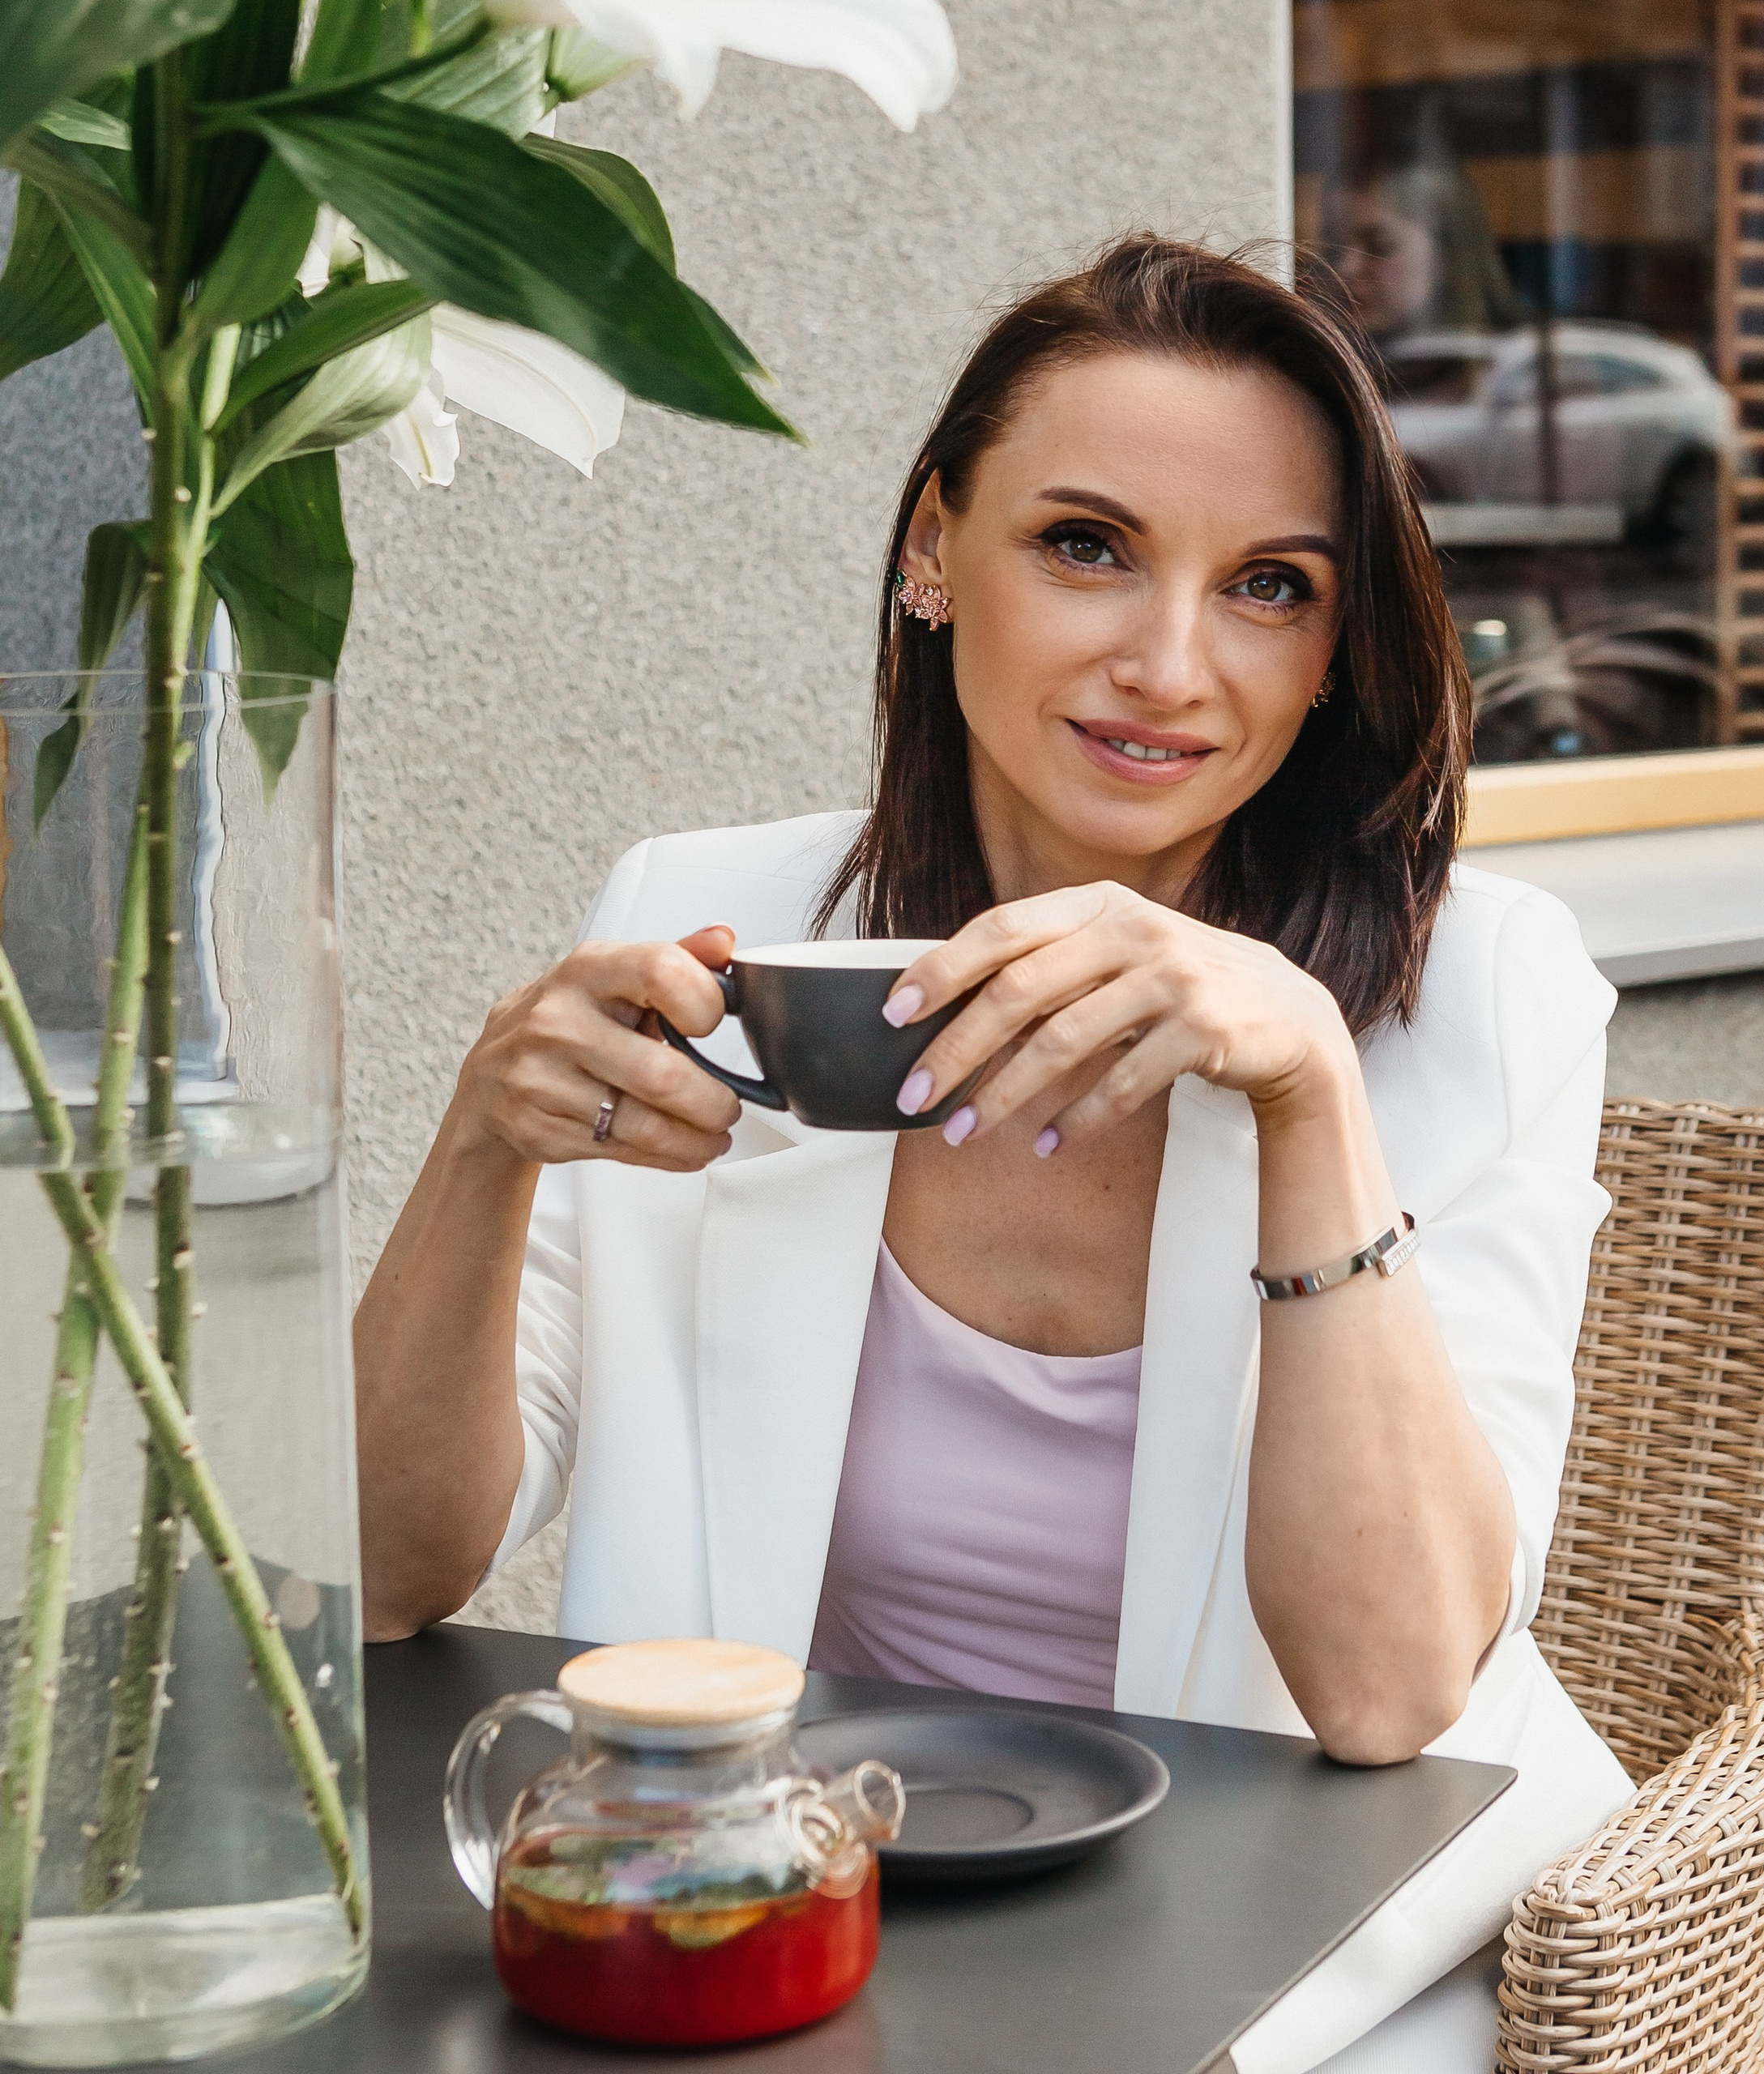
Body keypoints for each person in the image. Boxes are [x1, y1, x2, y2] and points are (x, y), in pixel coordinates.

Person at [352, 235, 1632, 2071]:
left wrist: (1300, 1095)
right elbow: (392, 1574)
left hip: (1301, 1945)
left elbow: (1387, 1691)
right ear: (931, 549)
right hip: (776, 1912)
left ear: (1333, 643)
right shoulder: (719, 937)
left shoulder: (1471, 998)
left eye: (1267, 585)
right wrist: (479, 1145)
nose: (1169, 665)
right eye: (1086, 544)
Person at [1313, 162, 1521, 349]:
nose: (1344, 268)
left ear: (1445, 255)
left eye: (1379, 246)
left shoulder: (1523, 369)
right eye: (1332, 247)